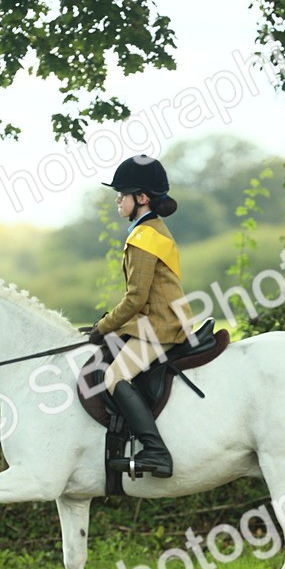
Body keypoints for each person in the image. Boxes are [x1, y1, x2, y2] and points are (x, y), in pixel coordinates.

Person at [89, 155, 194, 479]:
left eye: (122, 193)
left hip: (161, 326)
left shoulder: (143, 237)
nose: (118, 200)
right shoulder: (152, 229)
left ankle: (155, 452)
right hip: (160, 318)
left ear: (142, 198)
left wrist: (102, 326)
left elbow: (135, 298)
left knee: (114, 378)